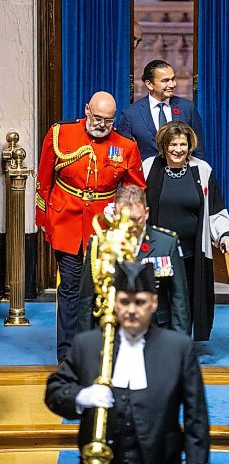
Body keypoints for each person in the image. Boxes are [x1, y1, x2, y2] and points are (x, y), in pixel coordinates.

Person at [45, 261, 210, 464]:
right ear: (114, 303)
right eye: (124, 301)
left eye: (139, 302)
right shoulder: (87, 343)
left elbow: (197, 423)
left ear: (154, 303)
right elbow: (54, 392)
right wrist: (81, 396)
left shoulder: (178, 348)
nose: (131, 310)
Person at [35, 91, 146, 363]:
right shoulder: (61, 134)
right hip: (66, 222)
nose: (102, 125)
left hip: (104, 227)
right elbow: (45, 179)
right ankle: (67, 352)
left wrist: (123, 215)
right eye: (98, 118)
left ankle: (99, 347)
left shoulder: (126, 146)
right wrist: (44, 220)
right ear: (87, 110)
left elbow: (136, 189)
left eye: (108, 120)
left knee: (102, 289)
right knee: (70, 287)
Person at [143, 121, 229, 342]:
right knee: (160, 301)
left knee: (183, 302)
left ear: (190, 146)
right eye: (173, 144)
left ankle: (180, 349)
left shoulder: (202, 170)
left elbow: (215, 208)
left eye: (183, 144)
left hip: (190, 253)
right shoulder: (149, 167)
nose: (178, 149)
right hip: (158, 253)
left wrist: (225, 234)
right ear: (163, 146)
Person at [78, 185, 191, 335]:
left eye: (136, 220)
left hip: (156, 331)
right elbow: (86, 299)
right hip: (112, 330)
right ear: (114, 214)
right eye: (124, 219)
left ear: (146, 214)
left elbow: (179, 300)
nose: (130, 226)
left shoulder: (167, 243)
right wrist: (85, 343)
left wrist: (180, 345)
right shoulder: (100, 243)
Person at [118, 59, 206, 160]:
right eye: (165, 81)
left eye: (173, 79)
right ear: (149, 84)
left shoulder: (187, 108)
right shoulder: (131, 114)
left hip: (182, 173)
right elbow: (125, 154)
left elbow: (198, 150)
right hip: (146, 174)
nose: (172, 85)